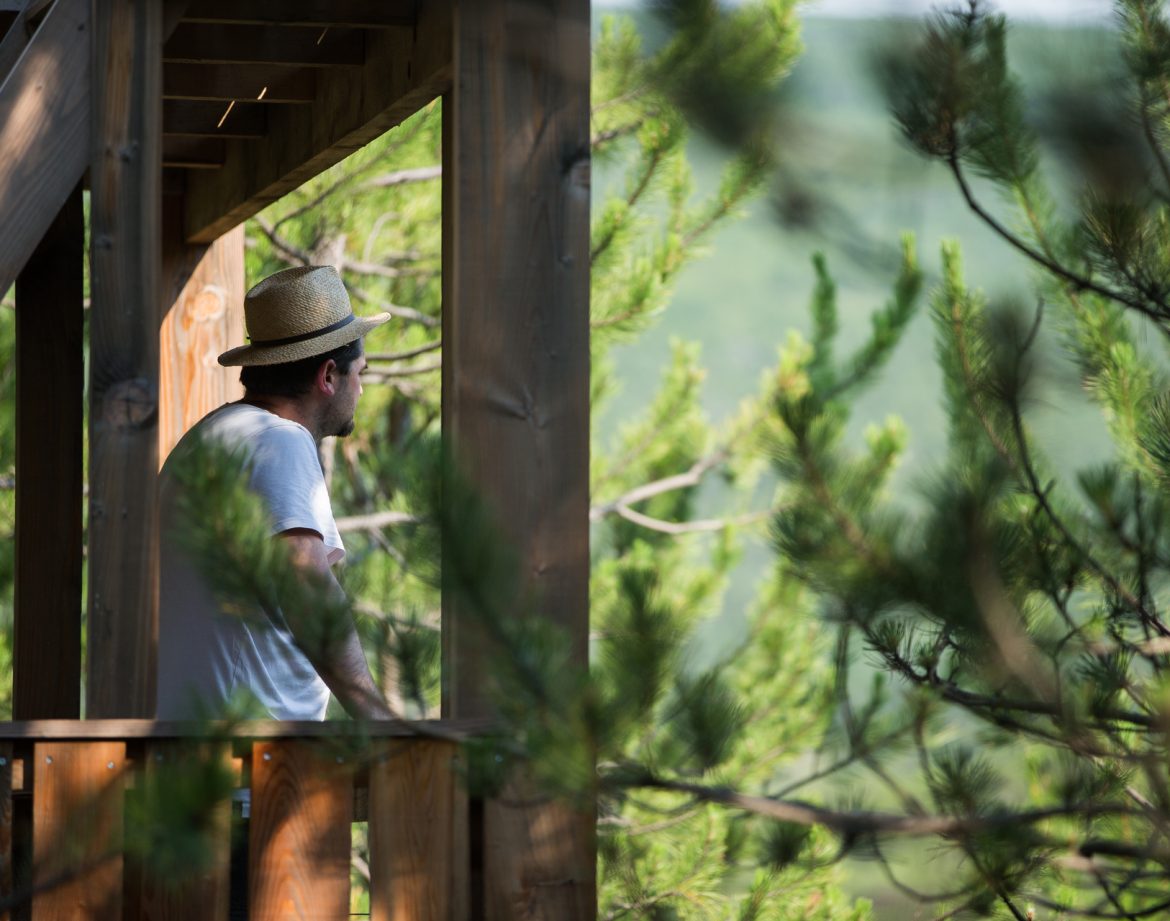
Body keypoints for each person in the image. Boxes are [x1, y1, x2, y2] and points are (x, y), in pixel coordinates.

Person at [156, 265, 396, 721]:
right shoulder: (279, 442)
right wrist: (379, 722)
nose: (362, 388)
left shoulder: (208, 438)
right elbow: (308, 588)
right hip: (254, 762)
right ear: (328, 376)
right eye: (359, 373)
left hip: (193, 750)